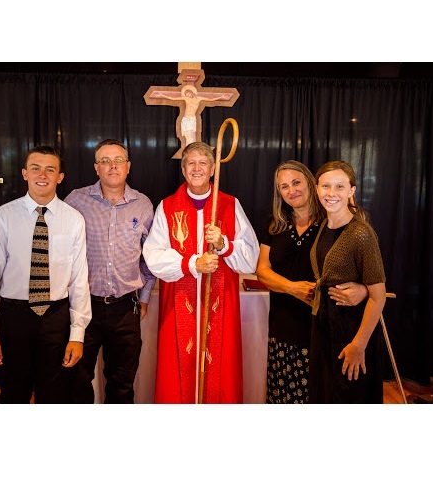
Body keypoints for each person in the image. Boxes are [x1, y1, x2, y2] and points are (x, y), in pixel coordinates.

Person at [0, 138, 156, 404]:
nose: (112, 166)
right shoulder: (76, 201)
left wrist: (143, 298)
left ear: (128, 166)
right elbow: (48, 238)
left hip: (124, 309)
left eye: (118, 160)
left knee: (122, 383)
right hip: (80, 305)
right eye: (105, 161)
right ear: (96, 167)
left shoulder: (143, 205)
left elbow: (150, 255)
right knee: (75, 382)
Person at [142, 141, 260, 403]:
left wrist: (224, 244)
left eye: (203, 163)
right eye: (191, 163)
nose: (197, 168)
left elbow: (251, 258)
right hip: (178, 305)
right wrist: (192, 265)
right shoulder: (167, 206)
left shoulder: (229, 205)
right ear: (183, 169)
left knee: (219, 375)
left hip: (220, 307)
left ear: (213, 169)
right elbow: (153, 256)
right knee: (178, 377)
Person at [0, 145, 91, 403]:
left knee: (55, 395)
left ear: (60, 176)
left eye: (50, 169)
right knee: (14, 394)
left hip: (56, 317)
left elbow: (79, 279)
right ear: (25, 173)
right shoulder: (5, 216)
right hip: (14, 316)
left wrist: (77, 334)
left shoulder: (74, 219)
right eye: (36, 168)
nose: (43, 175)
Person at [256, 160, 368, 404]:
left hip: (323, 329)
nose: (291, 190)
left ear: (311, 183)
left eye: (296, 182)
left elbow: (366, 271)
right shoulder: (275, 224)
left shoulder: (333, 220)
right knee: (283, 397)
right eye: (284, 186)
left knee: (321, 397)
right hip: (282, 326)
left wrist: (363, 290)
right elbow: (262, 271)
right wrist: (292, 288)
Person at [309, 160, 386, 403]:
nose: (331, 193)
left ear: (352, 190)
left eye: (339, 187)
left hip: (351, 331)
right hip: (324, 326)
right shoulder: (324, 225)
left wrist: (358, 345)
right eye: (325, 186)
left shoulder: (361, 233)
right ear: (317, 189)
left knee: (348, 397)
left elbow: (378, 296)